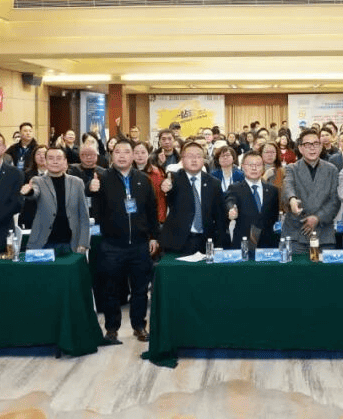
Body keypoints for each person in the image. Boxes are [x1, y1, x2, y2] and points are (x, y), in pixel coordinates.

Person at [89, 138, 159, 343]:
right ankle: (112, 329)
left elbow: (152, 210)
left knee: (140, 290)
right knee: (111, 290)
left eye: (126, 152)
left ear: (133, 155)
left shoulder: (143, 179)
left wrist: (154, 236)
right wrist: (90, 188)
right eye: (117, 152)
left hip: (139, 243)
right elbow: (92, 203)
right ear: (112, 155)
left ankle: (139, 326)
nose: (122, 156)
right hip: (112, 244)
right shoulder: (102, 178)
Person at [21, 147, 91, 253]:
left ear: (65, 162)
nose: (55, 161)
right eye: (51, 158)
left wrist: (83, 242)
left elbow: (84, 216)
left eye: (59, 158)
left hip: (71, 243)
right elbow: (34, 193)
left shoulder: (77, 182)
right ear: (46, 161)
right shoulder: (37, 181)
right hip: (43, 243)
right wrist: (29, 192)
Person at [160, 142, 226, 254]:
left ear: (204, 160)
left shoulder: (214, 183)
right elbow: (166, 186)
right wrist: (165, 186)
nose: (194, 160)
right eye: (190, 156)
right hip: (177, 242)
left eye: (198, 156)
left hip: (206, 241)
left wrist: (219, 244)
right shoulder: (174, 178)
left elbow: (220, 216)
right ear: (182, 159)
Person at [282, 129, 340, 254]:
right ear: (300, 148)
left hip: (323, 234)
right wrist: (292, 200)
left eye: (316, 144)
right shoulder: (292, 168)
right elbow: (288, 186)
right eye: (308, 144)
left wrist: (317, 218)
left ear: (321, 147)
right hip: (296, 233)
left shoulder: (332, 170)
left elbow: (335, 200)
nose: (312, 148)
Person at [225, 151, 280, 249]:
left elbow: (274, 218)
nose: (254, 168)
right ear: (243, 167)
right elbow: (230, 200)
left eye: (258, 165)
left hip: (268, 246)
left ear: (263, 167)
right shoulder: (235, 188)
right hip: (243, 245)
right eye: (250, 165)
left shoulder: (272, 190)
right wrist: (231, 209)